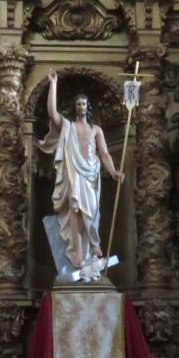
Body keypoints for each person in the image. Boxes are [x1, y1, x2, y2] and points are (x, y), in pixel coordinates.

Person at [39, 70, 123, 271]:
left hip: (92, 173)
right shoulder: (68, 126)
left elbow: (104, 153)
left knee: (92, 212)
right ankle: (78, 252)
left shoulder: (96, 130)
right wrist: (53, 84)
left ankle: (94, 246)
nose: (81, 107)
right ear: (74, 107)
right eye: (78, 104)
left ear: (88, 107)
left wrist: (114, 172)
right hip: (74, 172)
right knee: (75, 210)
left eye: (84, 104)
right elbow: (52, 113)